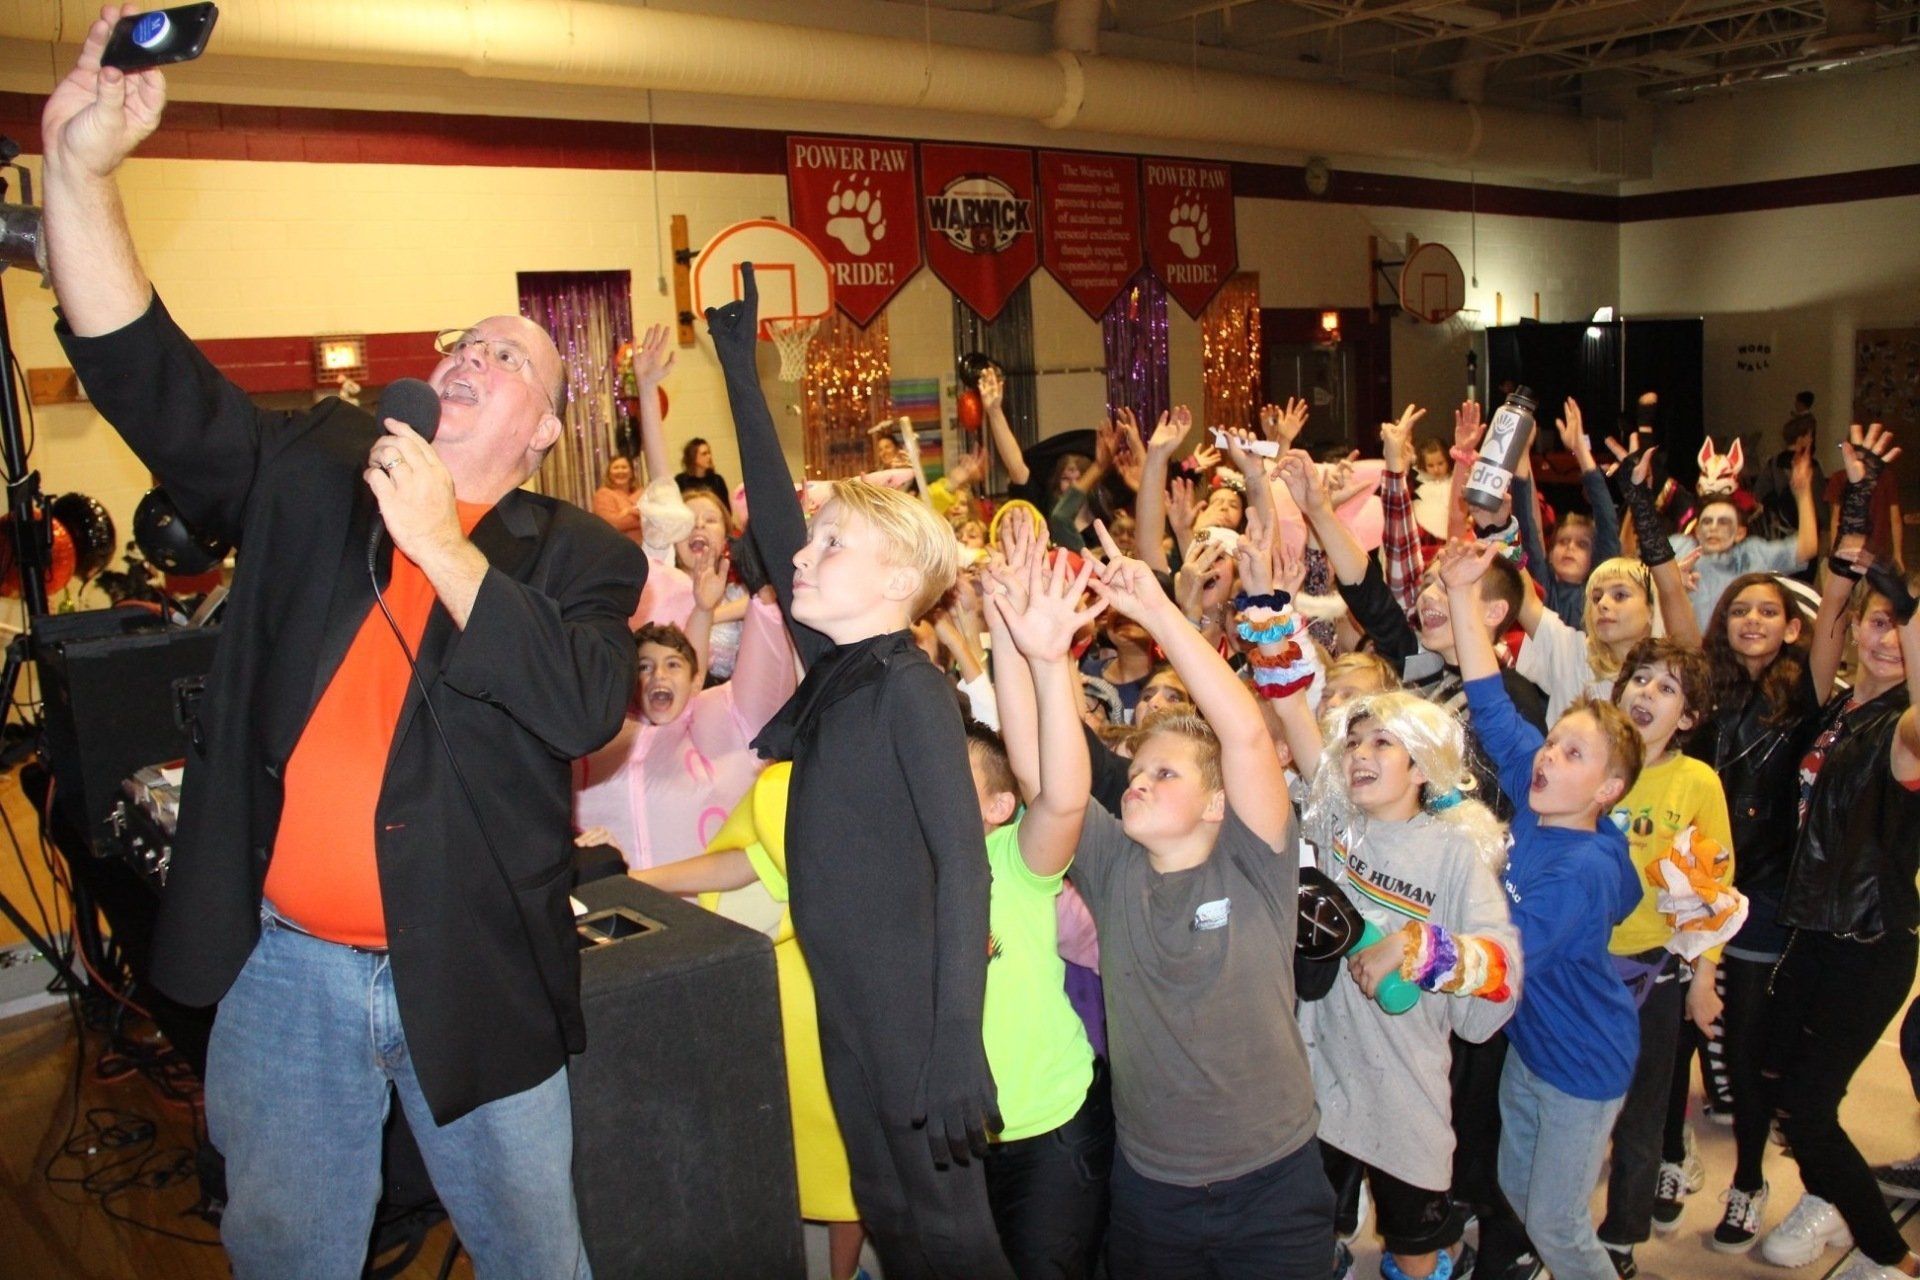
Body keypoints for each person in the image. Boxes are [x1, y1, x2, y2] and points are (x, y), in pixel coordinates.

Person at [41, 13, 645, 1276]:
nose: (471, 357)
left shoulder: (581, 554)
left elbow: (588, 703)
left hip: (475, 978)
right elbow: (147, 374)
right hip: (285, 971)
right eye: (464, 343)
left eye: (511, 354)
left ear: (544, 430)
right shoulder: (322, 467)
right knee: (286, 1253)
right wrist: (80, 175)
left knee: (539, 1254)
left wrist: (447, 546)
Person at [714, 265, 1013, 1279]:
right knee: (894, 1220)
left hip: (910, 1021)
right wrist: (740, 373)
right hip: (850, 1013)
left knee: (955, 1242)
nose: (803, 558)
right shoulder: (841, 674)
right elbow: (776, 529)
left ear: (894, 577)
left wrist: (955, 1042)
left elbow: (964, 867)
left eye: (831, 545)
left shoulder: (907, 687)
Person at [1027, 519, 1333, 1280]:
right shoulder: (1112, 865)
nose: (1138, 780)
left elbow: (1249, 739)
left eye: (1167, 775)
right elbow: (1041, 779)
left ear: (1216, 805)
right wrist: (1037, 655)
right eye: (1138, 771)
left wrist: (1158, 610)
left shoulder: (1255, 863)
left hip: (1274, 1179)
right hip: (1152, 1189)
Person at [1441, 539, 1645, 1280]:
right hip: (1533, 1050)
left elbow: (1497, 960)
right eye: (1554, 744)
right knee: (1518, 1193)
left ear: (1607, 792)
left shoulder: (1581, 870)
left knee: (1559, 1228)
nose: (1550, 759)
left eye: (1573, 757)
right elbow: (1489, 695)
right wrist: (1465, 594)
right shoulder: (1541, 801)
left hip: (1581, 1068)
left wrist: (1408, 943)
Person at [1272, 683, 1518, 1280]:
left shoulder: (1453, 854)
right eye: (1353, 742)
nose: (1360, 753)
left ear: (1421, 766)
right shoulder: (1335, 822)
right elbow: (1289, 709)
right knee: (1305, 1228)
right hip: (1321, 1072)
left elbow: (1503, 970)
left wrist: (1419, 951)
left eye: (1383, 742)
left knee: (1414, 1246)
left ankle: (1444, 1261)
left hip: (1405, 1086)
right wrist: (1267, 609)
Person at [1759, 424, 1920, 1280]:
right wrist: (1855, 499)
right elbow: (1831, 610)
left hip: (1870, 944)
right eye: (1874, 626)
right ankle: (1831, 1200)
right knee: (1780, 1084)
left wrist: (1900, 592)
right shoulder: (1842, 704)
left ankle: (1888, 1255)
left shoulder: (1906, 731)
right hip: (1812, 930)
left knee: (1812, 1108)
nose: (1881, 639)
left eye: (1901, 629)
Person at [1590, 640, 1735, 1278]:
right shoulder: (1588, 757)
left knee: (1643, 1116)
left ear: (1688, 717)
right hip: (1576, 962)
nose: (1646, 692)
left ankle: (1621, 1235)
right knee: (1565, 1104)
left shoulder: (1696, 782)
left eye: (1667, 688)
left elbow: (1714, 892)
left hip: (1652, 972)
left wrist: (1705, 977)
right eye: (1639, 679)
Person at [1689, 572, 1818, 1253]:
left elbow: (1830, 632)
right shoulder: (1706, 688)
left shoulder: (1807, 694)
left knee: (1742, 1048)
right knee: (1680, 1035)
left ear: (1792, 625)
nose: (1753, 620)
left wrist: (1851, 536)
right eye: (1740, 609)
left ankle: (1747, 1181)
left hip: (1763, 892)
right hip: (1689, 882)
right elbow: (1683, 625)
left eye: (1770, 610)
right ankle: (1668, 1156)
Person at [1670, 443, 1817, 630]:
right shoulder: (1679, 548)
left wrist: (1803, 493)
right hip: (1689, 652)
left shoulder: (1753, 553)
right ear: (1697, 529)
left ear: (1740, 532)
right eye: (1707, 522)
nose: (1713, 528)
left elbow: (1807, 547)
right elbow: (1633, 569)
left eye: (1723, 522)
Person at [591, 454, 643, 546]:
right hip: (618, 549)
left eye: (624, 467)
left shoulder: (642, 493)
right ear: (609, 474)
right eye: (616, 468)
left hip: (647, 550)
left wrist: (628, 511)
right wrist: (641, 515)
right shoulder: (603, 494)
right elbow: (613, 524)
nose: (620, 471)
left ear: (631, 473)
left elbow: (658, 517)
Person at [675, 435, 730, 509]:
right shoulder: (681, 481)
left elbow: (726, 509)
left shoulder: (717, 480)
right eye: (704, 454)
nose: (709, 456)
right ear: (693, 457)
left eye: (709, 452)